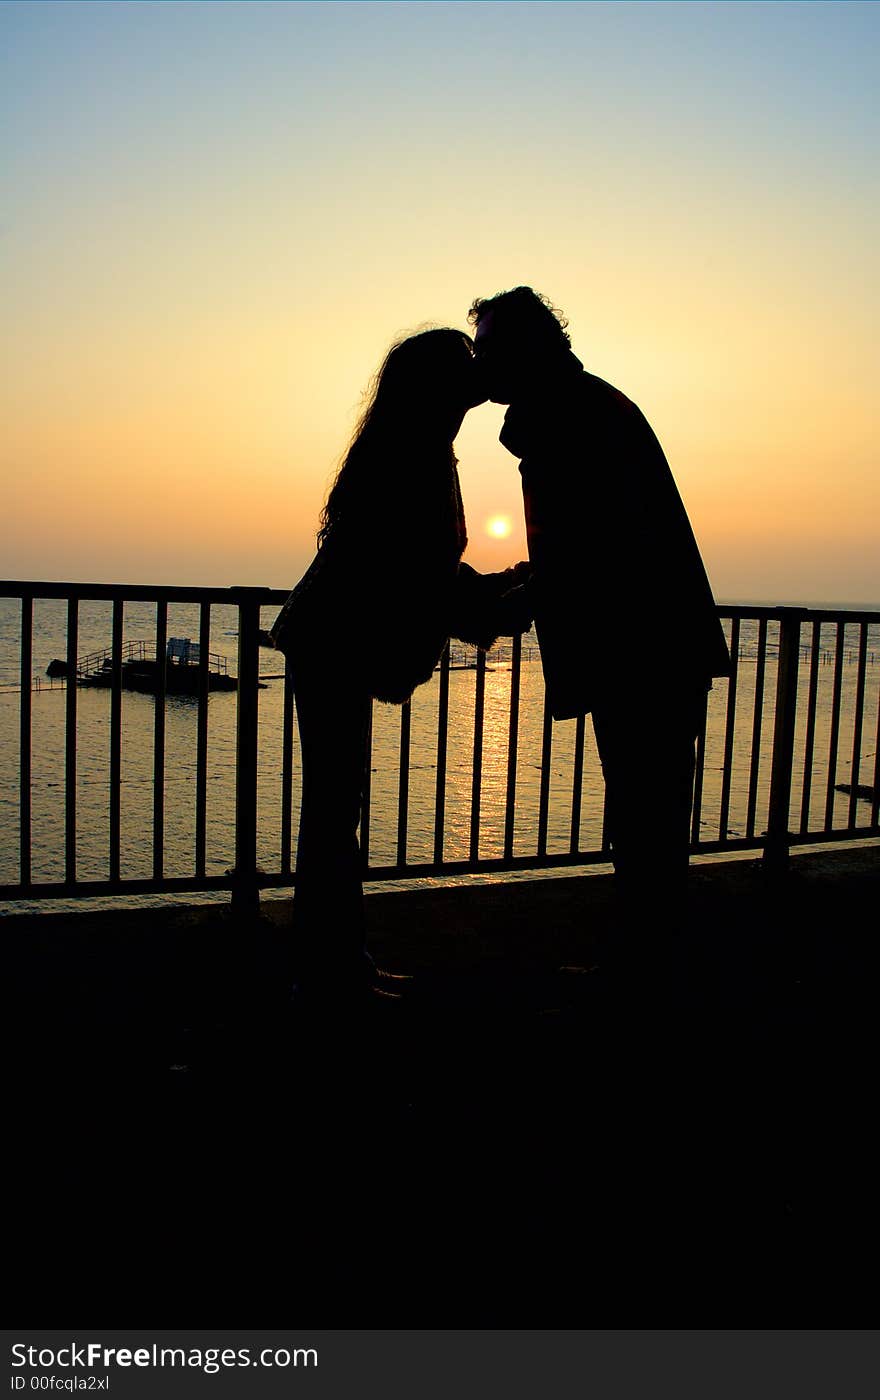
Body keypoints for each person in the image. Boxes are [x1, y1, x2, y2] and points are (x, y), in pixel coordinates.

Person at [469, 287, 731, 973]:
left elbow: (600, 548)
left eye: (490, 346)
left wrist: (523, 596)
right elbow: (589, 540)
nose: (480, 360)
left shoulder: (569, 416)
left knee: (647, 816)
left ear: (528, 348)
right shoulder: (577, 406)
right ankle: (646, 961)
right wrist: (530, 579)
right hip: (650, 644)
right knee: (649, 814)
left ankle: (647, 974)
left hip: (642, 648)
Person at [270, 327, 531, 1004]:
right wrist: (497, 604)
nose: (478, 376)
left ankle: (334, 967)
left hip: (330, 640)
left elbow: (426, 573)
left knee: (334, 812)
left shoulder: (415, 447)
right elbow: (414, 576)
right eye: (464, 369)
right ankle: (330, 975)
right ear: (438, 387)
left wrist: (495, 589)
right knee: (334, 815)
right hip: (333, 642)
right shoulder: (412, 455)